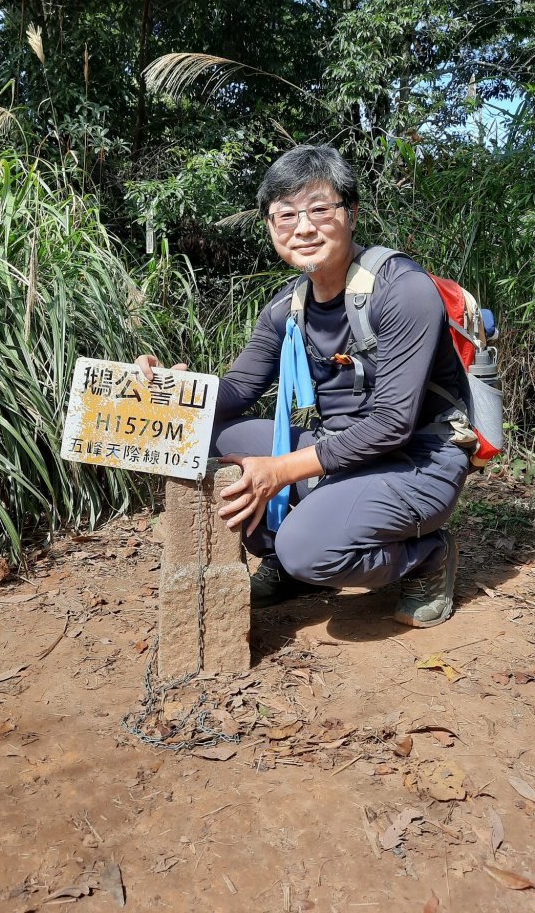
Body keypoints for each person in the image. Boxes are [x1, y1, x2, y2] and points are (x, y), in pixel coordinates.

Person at [137, 144, 471, 626]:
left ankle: (427, 555)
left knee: (307, 549)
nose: (304, 227)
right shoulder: (286, 307)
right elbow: (235, 390)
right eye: (285, 214)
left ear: (351, 213)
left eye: (320, 209)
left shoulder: (403, 290)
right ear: (271, 226)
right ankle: (292, 560)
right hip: (343, 451)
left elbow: (392, 425)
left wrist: (280, 470)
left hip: (418, 458)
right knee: (211, 437)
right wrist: (173, 385)